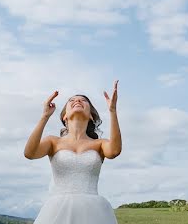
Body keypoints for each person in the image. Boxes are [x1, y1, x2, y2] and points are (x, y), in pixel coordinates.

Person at [24, 84, 122, 224]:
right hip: (57, 211)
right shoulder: (53, 141)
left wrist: (112, 111)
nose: (77, 101)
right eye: (72, 100)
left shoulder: (99, 144)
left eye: (83, 100)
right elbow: (29, 153)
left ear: (91, 117)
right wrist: (45, 116)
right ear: (64, 116)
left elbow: (114, 151)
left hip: (94, 212)